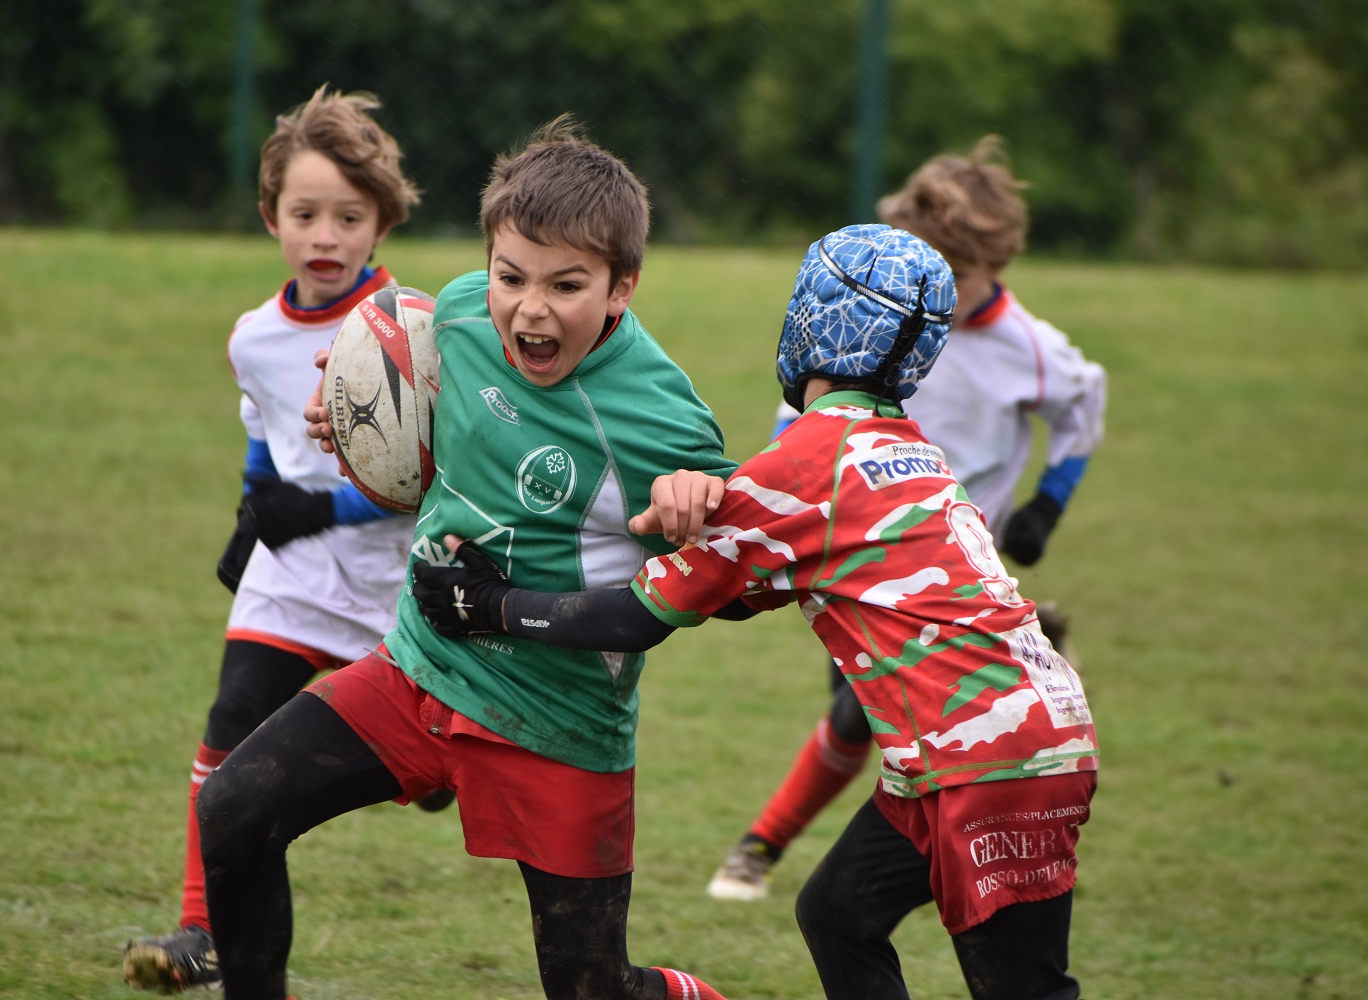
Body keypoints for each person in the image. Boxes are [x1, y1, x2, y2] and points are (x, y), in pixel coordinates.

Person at [413, 223, 1100, 1000]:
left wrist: (492, 604)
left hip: (986, 750)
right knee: (837, 915)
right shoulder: (904, 445)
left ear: (810, 318)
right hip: (1006, 736)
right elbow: (741, 593)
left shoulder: (808, 462)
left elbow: (642, 618)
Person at [193, 119, 738, 1000]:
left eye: (568, 285)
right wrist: (355, 408)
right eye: (510, 276)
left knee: (592, 988)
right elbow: (408, 426)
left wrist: (695, 501)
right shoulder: (450, 314)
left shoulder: (659, 412)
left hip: (557, 725)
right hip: (419, 671)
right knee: (233, 813)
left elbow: (736, 547)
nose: (529, 308)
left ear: (621, 287)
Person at [707, 136, 1108, 900]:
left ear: (1000, 262)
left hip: (944, 576)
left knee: (866, 712)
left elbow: (1086, 404)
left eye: (954, 275)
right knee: (872, 716)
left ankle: (759, 848)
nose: (934, 292)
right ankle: (1032, 658)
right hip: (853, 553)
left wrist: (1048, 503)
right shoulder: (877, 324)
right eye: (920, 268)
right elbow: (805, 419)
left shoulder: (1030, 349)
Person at [121, 86, 438, 994]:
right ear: (271, 219)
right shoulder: (254, 337)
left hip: (394, 588)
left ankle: (429, 771)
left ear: (383, 223)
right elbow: (266, 443)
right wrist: (252, 515)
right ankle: (201, 927)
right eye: (305, 215)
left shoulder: (412, 331)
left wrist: (327, 508)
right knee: (228, 726)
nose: (326, 236)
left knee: (426, 765)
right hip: (292, 580)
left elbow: (421, 475)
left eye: (350, 216)